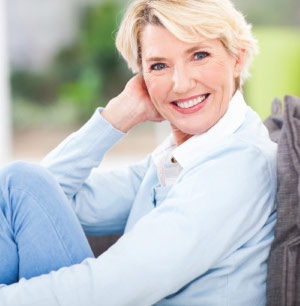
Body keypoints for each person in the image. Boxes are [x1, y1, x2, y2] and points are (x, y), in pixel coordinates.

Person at [0, 0, 277, 305]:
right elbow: (34, 197)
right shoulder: (180, 157)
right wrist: (115, 118)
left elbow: (115, 286)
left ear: (237, 59)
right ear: (142, 77)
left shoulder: (237, 165)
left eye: (200, 55)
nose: (181, 83)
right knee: (19, 179)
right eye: (159, 65)